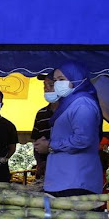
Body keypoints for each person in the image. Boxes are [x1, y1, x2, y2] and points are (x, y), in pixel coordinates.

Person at [33, 62, 102, 197]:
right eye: (56, 80)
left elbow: (83, 139)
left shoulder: (83, 104)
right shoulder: (69, 104)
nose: (58, 84)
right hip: (64, 180)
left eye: (62, 79)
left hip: (77, 181)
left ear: (77, 79)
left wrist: (50, 145)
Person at [31, 73, 59, 179]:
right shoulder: (41, 113)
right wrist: (40, 163)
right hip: (45, 172)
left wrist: (50, 147)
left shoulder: (71, 111)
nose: (46, 89)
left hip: (66, 170)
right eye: (44, 86)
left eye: (51, 85)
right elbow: (36, 142)